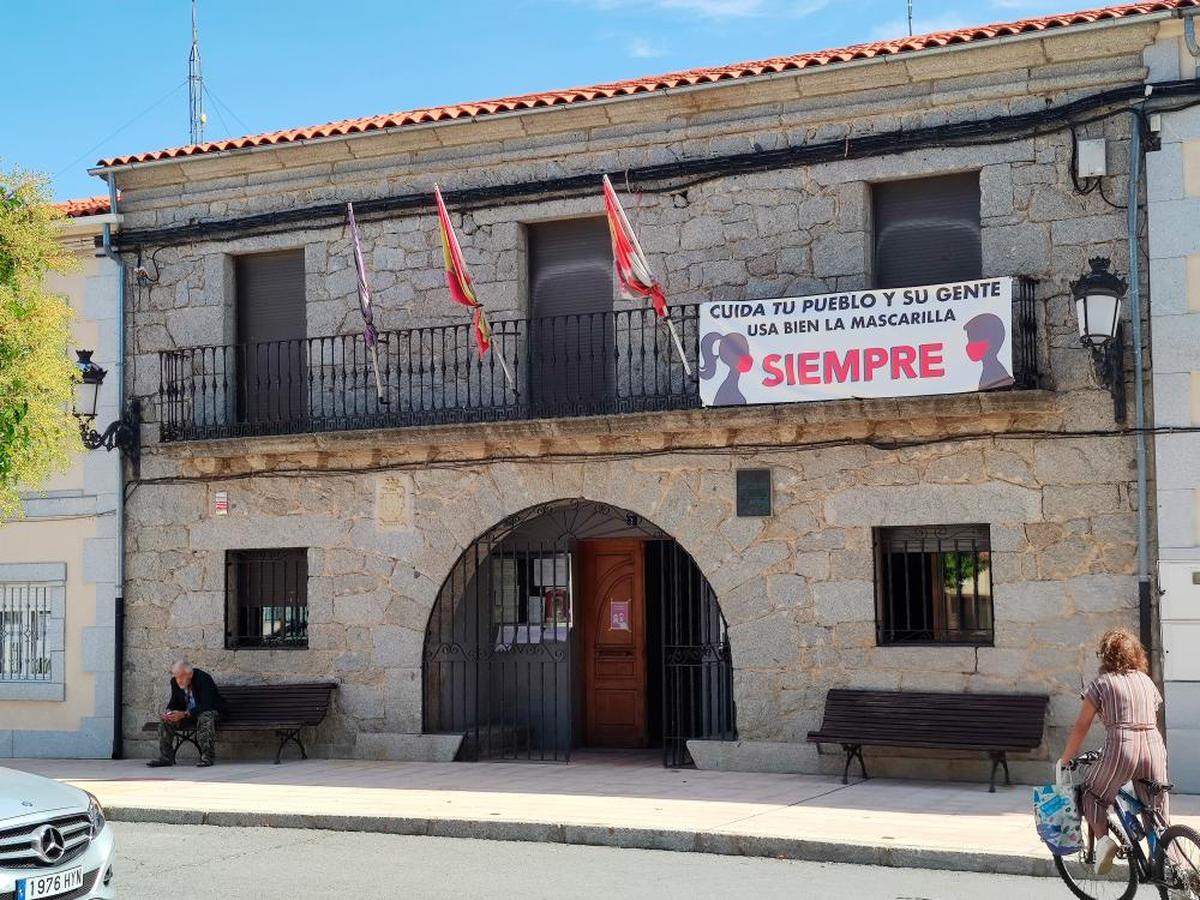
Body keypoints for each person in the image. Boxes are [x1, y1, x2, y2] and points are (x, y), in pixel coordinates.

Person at [1058, 629, 1168, 875]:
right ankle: (1168, 865)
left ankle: (1104, 843)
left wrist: (1065, 760)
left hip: (1122, 747)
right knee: (1156, 808)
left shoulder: (1101, 683)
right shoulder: (1145, 680)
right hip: (1154, 746)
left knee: (1092, 793)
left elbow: (1082, 726)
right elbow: (1154, 713)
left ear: (1105, 656)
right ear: (1136, 654)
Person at [147, 660, 224, 768]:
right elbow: (174, 701)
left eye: (181, 677)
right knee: (167, 719)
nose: (178, 681)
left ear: (190, 674)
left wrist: (185, 714)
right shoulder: (175, 682)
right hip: (188, 714)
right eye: (176, 677)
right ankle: (166, 757)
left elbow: (207, 704)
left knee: (205, 717)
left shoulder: (203, 679)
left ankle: (207, 756)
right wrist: (169, 712)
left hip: (210, 711)